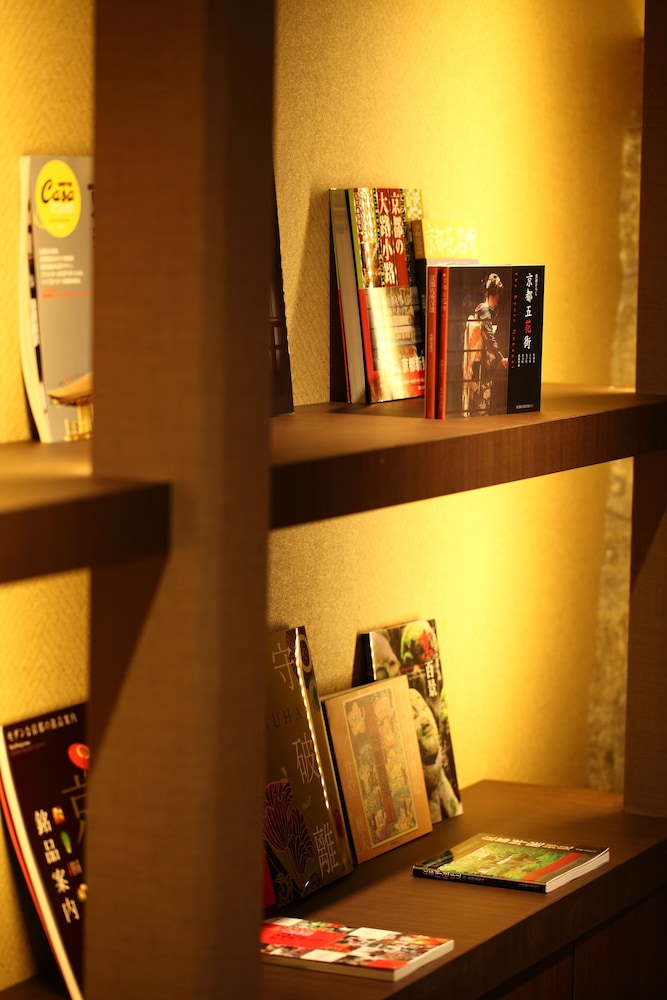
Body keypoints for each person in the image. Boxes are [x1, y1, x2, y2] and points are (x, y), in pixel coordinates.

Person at [462, 272, 508, 414]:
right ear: (493, 295)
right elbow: (490, 338)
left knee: (479, 392)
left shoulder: (480, 308)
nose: (498, 302)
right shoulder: (485, 310)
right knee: (482, 395)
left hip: (479, 359)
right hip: (481, 360)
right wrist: (501, 358)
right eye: (498, 297)